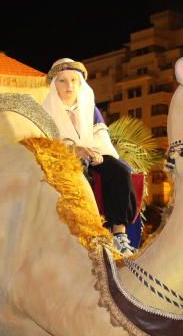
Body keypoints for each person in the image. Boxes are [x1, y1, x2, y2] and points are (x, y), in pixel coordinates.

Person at [42, 58, 137, 255]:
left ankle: (118, 233)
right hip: (62, 160)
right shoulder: (46, 111)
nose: (69, 86)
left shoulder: (90, 108)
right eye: (62, 81)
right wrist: (73, 150)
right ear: (54, 84)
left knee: (120, 172)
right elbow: (46, 142)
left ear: (80, 83)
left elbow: (100, 134)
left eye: (73, 80)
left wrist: (97, 153)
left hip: (93, 154)